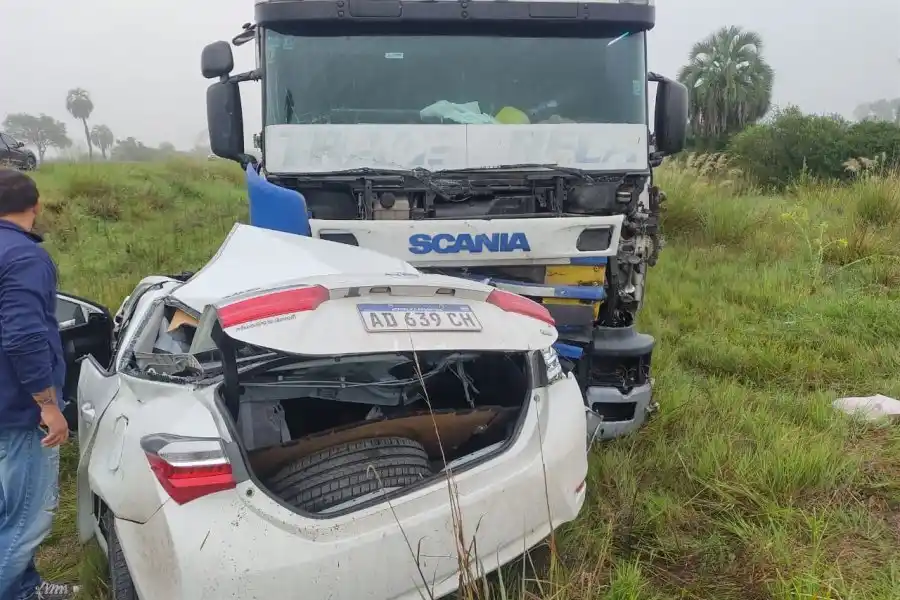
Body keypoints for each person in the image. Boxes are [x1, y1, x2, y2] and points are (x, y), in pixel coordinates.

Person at [0, 169, 77, 600]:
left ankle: (25, 589)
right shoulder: (25, 257)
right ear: (36, 204)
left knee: (5, 511)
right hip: (18, 408)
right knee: (25, 522)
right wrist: (46, 406)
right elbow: (24, 337)